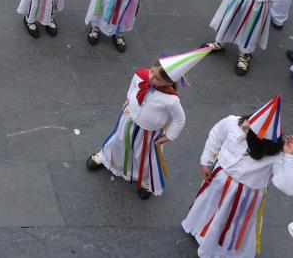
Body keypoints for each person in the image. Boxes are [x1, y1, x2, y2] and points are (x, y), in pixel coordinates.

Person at [181, 96, 293, 258]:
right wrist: (205, 161)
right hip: (218, 180)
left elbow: (290, 188)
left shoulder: (277, 154)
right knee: (209, 205)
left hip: (245, 196)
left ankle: (220, 247)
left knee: (231, 222)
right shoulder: (232, 123)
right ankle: (201, 230)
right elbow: (216, 135)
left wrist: (288, 157)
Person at [87, 47, 210, 200]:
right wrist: (128, 99)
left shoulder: (171, 100)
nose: (151, 77)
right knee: (118, 141)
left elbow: (180, 119)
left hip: (148, 133)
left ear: (168, 82)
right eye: (152, 71)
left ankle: (146, 181)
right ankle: (106, 159)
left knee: (144, 156)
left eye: (157, 78)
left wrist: (169, 136)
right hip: (128, 120)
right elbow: (133, 85)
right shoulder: (140, 75)